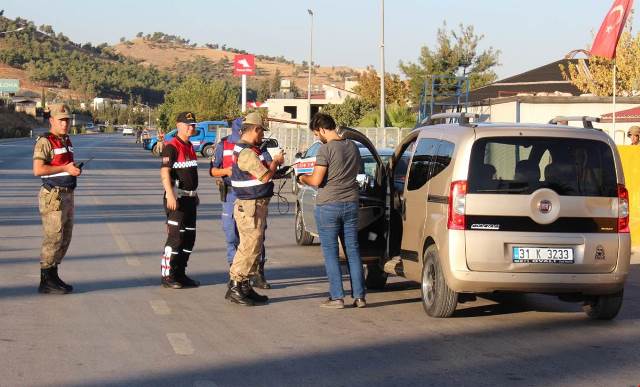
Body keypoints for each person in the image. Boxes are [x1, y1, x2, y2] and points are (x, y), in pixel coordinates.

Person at [298, 113, 366, 309]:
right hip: (351, 203)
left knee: (331, 253)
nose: (316, 137)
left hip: (328, 205)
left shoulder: (325, 149)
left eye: (315, 133)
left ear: (321, 129)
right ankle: (359, 296)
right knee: (353, 251)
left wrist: (302, 178)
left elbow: (317, 181)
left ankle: (337, 297)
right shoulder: (353, 146)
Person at [225, 112, 284, 306]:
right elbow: (265, 176)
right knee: (249, 247)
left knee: (253, 246)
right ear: (255, 129)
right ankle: (236, 285)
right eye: (261, 132)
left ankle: (244, 286)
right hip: (250, 206)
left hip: (253, 205)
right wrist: (276, 162)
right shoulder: (247, 152)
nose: (262, 137)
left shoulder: (247, 150)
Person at [210, 117, 271, 289]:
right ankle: (237, 277)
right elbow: (213, 170)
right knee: (234, 236)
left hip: (249, 196)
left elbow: (265, 168)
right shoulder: (228, 146)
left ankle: (253, 275)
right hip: (233, 194)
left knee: (255, 239)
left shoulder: (255, 148)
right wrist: (226, 171)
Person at [32, 103, 82, 294]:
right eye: (61, 120)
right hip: (53, 195)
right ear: (51, 121)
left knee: (65, 237)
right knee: (53, 237)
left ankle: (53, 274)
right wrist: (65, 169)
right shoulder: (45, 141)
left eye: (67, 120)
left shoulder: (66, 140)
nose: (65, 124)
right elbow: (38, 170)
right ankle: (46, 280)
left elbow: (64, 164)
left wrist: (73, 170)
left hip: (67, 194)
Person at [160, 112, 201, 289]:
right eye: (187, 124)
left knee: (189, 238)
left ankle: (180, 272)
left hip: (190, 199)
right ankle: (167, 275)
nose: (191, 127)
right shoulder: (172, 146)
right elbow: (165, 172)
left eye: (193, 125)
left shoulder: (190, 146)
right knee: (176, 238)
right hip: (177, 198)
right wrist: (170, 193)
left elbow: (190, 174)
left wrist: (194, 194)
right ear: (178, 125)